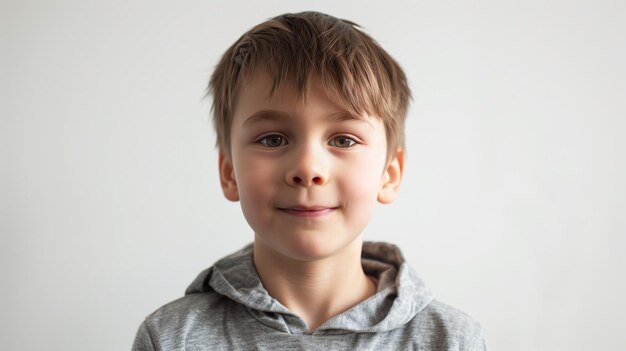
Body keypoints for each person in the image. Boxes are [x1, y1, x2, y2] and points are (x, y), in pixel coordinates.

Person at [132, 11, 486, 350]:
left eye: (343, 140)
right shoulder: (170, 338)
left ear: (389, 175)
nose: (307, 168)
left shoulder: (452, 341)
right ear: (229, 173)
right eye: (273, 139)